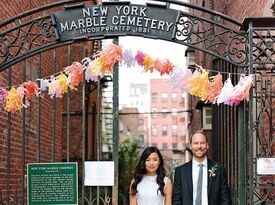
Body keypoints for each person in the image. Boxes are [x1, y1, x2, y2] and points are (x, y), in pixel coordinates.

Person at [172, 130, 232, 205]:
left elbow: (225, 199)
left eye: (202, 143)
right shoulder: (180, 171)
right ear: (190, 146)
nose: (199, 146)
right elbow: (177, 200)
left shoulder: (219, 169)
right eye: (196, 143)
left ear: (207, 145)